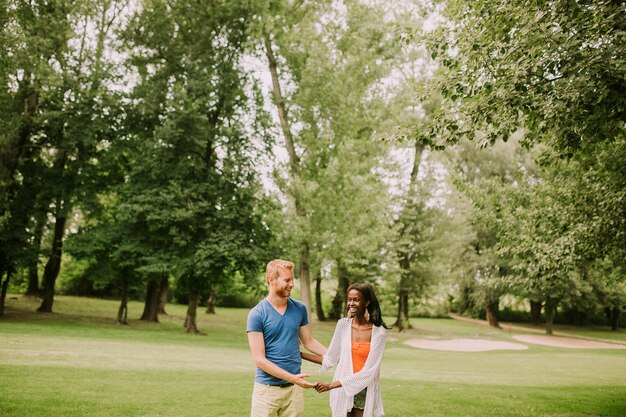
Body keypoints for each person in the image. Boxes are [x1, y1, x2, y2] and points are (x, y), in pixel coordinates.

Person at [247, 259, 327, 417]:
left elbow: (309, 342)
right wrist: (293, 378)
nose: (292, 284)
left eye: (293, 279)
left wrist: (336, 355)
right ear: (271, 280)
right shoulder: (257, 314)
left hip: (293, 391)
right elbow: (259, 360)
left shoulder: (299, 308)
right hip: (266, 391)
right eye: (287, 280)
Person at [302, 283, 388, 417]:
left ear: (367, 302)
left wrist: (330, 385)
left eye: (356, 300)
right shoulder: (343, 325)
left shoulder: (379, 333)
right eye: (349, 299)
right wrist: (299, 354)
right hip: (341, 389)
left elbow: (369, 372)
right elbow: (330, 358)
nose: (351, 303)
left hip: (364, 390)